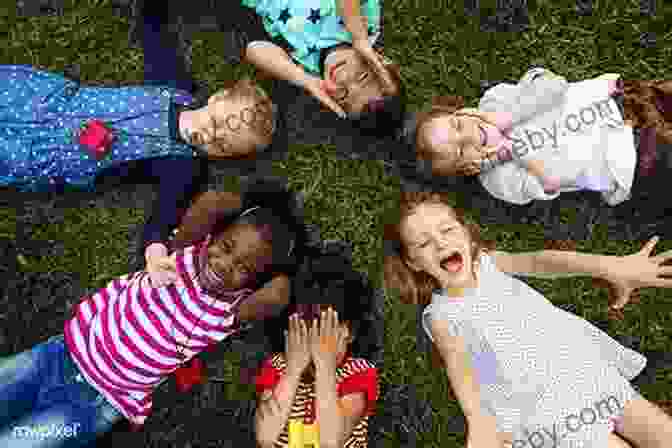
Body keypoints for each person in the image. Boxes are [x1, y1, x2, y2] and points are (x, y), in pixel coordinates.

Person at [0, 178, 307, 447]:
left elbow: (280, 292)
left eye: (244, 268)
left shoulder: (228, 312)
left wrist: (283, 258)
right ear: (214, 236)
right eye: (227, 247)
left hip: (97, 402)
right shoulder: (181, 254)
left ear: (253, 281)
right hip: (57, 355)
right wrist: (256, 205)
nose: (225, 265)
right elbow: (214, 202)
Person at [383, 190, 672, 448]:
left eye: (447, 230)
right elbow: (458, 367)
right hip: (546, 413)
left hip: (582, 372)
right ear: (413, 262)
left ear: (466, 233)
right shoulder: (441, 316)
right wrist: (480, 421)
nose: (440, 244)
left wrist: (610, 266)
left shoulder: (488, 264)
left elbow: (542, 261)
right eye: (423, 244)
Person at [1, 3, 280, 267]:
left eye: (220, 145)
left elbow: (165, 214)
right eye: (217, 122)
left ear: (227, 157)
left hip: (46, 153)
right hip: (47, 101)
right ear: (217, 98)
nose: (209, 135)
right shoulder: (175, 87)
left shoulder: (186, 167)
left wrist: (156, 252)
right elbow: (156, 37)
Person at [406, 68, 672, 206]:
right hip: (632, 158)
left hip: (626, 101)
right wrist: (516, 152)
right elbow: (553, 181)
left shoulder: (496, 100)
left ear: (462, 111)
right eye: (461, 151)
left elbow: (555, 86)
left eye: (457, 126)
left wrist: (509, 116)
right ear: (467, 169)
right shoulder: (499, 180)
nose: (470, 137)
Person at [254, 246, 379, 448]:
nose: (314, 343)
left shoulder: (357, 374)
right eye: (306, 327)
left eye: (324, 329)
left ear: (350, 332)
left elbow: (330, 442)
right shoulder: (279, 368)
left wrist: (325, 367)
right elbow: (265, 437)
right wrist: (293, 371)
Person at [234, 0, 406, 137]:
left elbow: (254, 49)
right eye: (362, 77)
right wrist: (359, 38)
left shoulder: (307, 68)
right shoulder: (365, 25)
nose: (343, 79)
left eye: (343, 94)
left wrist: (304, 80)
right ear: (380, 62)